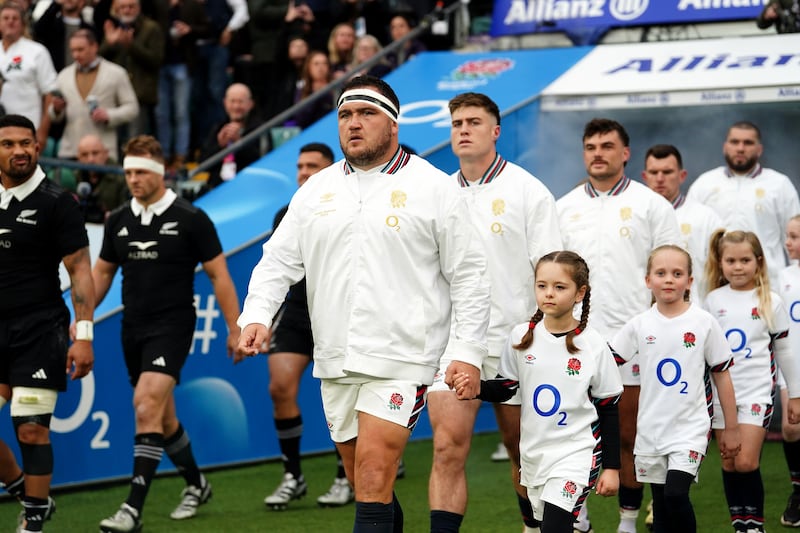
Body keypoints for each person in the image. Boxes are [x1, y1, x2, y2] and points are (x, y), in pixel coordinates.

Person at [236, 75, 490, 533]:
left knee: (374, 474)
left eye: (367, 113)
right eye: (346, 115)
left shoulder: (434, 187)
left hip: (404, 357)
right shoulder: (316, 189)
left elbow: (471, 277)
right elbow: (277, 261)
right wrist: (256, 314)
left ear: (393, 124)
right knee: (366, 482)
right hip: (334, 360)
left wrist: (467, 353)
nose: (354, 124)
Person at [428, 92, 562, 533]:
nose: (463, 130)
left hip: (516, 344)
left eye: (473, 122)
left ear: (495, 131)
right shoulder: (436, 194)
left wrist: (545, 337)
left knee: (522, 447)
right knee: (447, 448)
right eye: (456, 123)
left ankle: (535, 525)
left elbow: (553, 273)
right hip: (453, 346)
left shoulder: (528, 191)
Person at [93, 135, 241, 532]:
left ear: (160, 173)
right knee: (162, 416)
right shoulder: (119, 220)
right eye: (127, 172)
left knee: (145, 405)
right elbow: (101, 276)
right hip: (132, 329)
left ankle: (132, 510)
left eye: (141, 172)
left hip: (173, 326)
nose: (133, 179)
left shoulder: (192, 218)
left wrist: (235, 327)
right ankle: (197, 484)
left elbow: (219, 274)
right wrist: (81, 321)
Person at [556, 118, 680, 533]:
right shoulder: (565, 207)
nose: (598, 152)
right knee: (573, 433)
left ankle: (628, 520)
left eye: (607, 145)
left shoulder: (652, 206)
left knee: (628, 436)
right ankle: (579, 515)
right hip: (577, 341)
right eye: (591, 145)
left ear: (625, 153)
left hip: (635, 340)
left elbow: (673, 273)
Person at [453, 251, 622, 533]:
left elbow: (608, 406)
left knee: (555, 528)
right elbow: (508, 387)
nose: (549, 294)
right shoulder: (521, 337)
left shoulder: (593, 344)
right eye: (542, 286)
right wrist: (477, 388)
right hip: (535, 455)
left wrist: (612, 468)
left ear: (580, 293)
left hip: (577, 454)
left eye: (559, 287)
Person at [0, 113, 96, 532]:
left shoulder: (57, 201)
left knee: (32, 430)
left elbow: (80, 270)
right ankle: (28, 492)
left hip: (41, 331)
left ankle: (33, 522)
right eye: (8, 144)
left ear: (39, 148)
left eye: (27, 143)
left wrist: (85, 334)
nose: (19, 150)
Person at [612, 245, 740, 533]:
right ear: (648, 280)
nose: (669, 279)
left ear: (689, 282)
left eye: (677, 273)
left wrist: (730, 427)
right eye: (661, 273)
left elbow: (722, 376)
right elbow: (608, 361)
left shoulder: (704, 323)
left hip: (690, 428)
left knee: (675, 494)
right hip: (652, 429)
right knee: (661, 505)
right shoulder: (639, 324)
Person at [261, 142, 355, 510]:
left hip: (341, 313)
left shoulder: (351, 207)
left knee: (342, 395)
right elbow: (276, 269)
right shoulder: (289, 212)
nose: (303, 173)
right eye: (299, 166)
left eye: (311, 166)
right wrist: (260, 317)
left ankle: (344, 477)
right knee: (280, 386)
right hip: (299, 310)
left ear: (330, 169)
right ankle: (292, 476)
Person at [705, 229, 800, 533]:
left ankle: (755, 525)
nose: (738, 266)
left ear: (758, 262)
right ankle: (741, 525)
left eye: (745, 260)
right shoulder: (712, 300)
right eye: (730, 260)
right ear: (720, 263)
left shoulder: (769, 300)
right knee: (729, 462)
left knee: (746, 461)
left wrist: (796, 394)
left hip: (756, 393)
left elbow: (785, 350)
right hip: (722, 398)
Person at [687, 121, 800, 289]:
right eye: (734, 142)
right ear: (725, 147)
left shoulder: (779, 185)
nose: (740, 148)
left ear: (759, 149)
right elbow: (690, 236)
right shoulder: (704, 184)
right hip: (714, 285)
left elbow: (796, 236)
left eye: (748, 143)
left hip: (768, 286)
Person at [641, 144, 722, 300]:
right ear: (645, 176)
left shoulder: (706, 218)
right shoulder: (635, 218)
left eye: (667, 172)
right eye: (653, 172)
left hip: (694, 309)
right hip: (645, 312)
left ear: (682, 175)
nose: (659, 178)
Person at [50, 29, 139, 160]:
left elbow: (132, 108)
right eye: (73, 50)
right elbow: (54, 116)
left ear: (94, 47)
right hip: (70, 150)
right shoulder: (64, 75)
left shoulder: (116, 73)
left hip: (103, 150)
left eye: (80, 49)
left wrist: (109, 115)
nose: (75, 55)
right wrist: (56, 110)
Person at [155, 0, 210, 173]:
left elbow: (207, 28)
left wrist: (190, 30)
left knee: (181, 112)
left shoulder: (192, 4)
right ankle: (164, 155)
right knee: (161, 114)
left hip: (183, 64)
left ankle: (180, 154)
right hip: (160, 64)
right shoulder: (157, 4)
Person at [99, 0, 164, 138]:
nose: (127, 10)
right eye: (123, 7)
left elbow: (156, 60)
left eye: (131, 6)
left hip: (139, 94)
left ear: (139, 8)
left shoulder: (151, 28)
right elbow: (99, 58)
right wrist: (110, 43)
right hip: (114, 95)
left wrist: (131, 46)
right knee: (115, 138)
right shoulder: (113, 29)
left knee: (135, 139)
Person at [0, 2, 58, 148]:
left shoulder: (37, 52)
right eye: (5, 18)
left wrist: (42, 133)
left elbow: (49, 94)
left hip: (27, 129)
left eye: (15, 18)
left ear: (23, 24)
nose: (10, 21)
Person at [200, 82, 263, 191]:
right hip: (217, 188)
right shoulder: (218, 128)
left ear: (250, 104)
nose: (236, 106)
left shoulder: (260, 129)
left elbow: (262, 161)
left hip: (248, 187)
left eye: (240, 102)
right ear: (225, 103)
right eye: (232, 101)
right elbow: (203, 163)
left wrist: (239, 143)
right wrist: (220, 146)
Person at [778, 215, 800, 527]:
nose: (788, 243)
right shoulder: (781, 277)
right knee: (791, 429)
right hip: (791, 366)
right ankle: (797, 490)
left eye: (794, 237)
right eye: (788, 236)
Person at [74, 133, 128, 223]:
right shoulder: (73, 177)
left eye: (95, 153)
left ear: (105, 154)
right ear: (78, 158)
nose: (90, 159)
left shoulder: (121, 177)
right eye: (84, 155)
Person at [32, 0, 96, 73]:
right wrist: (55, 4)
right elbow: (37, 31)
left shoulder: (89, 29)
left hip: (83, 76)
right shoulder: (51, 25)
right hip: (56, 77)